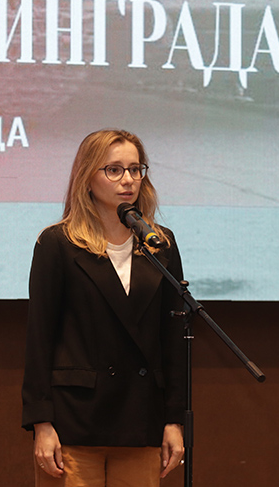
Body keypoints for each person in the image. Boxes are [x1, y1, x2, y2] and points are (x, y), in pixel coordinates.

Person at [21, 128, 187, 486]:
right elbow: (39, 338)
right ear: (87, 177)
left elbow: (173, 339)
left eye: (135, 169)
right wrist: (41, 423)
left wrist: (174, 420)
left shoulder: (160, 244)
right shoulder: (58, 243)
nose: (128, 180)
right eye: (114, 170)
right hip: (74, 422)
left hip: (142, 420)